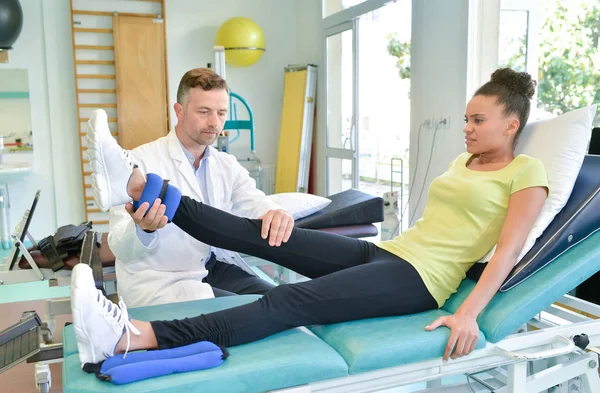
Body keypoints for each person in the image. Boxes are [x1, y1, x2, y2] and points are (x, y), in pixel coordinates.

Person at [74, 68, 549, 366]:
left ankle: (133, 337)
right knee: (262, 236)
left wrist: (468, 313)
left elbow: (507, 249)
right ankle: (135, 186)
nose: (465, 128)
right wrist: (275, 213)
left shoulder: (527, 171)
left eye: (477, 121)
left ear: (511, 125)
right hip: (389, 253)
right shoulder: (462, 163)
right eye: (466, 118)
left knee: (289, 302)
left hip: (420, 280)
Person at [98, 68, 294, 307]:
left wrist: (274, 212)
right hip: (163, 280)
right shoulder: (139, 163)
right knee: (255, 312)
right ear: (179, 111)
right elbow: (118, 245)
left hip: (214, 266)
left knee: (283, 301)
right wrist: (143, 230)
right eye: (204, 112)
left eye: (221, 113)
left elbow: (254, 200)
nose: (215, 122)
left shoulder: (226, 164)